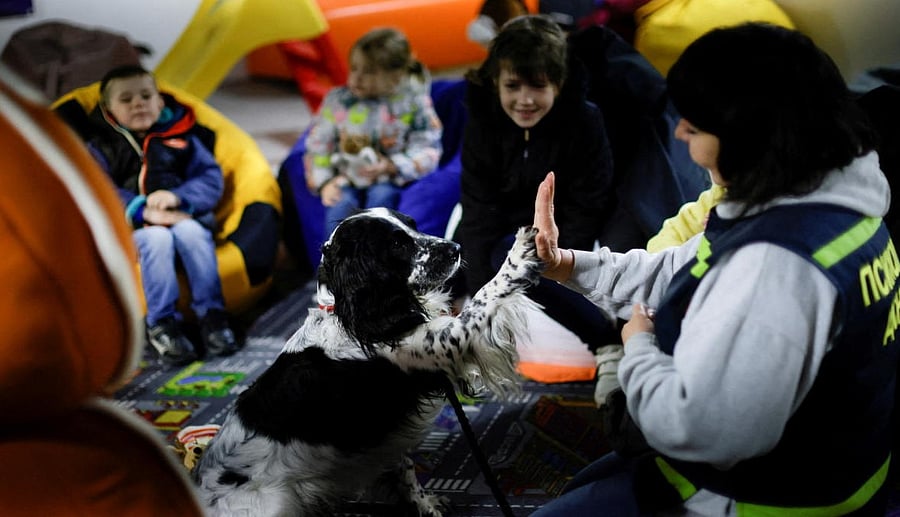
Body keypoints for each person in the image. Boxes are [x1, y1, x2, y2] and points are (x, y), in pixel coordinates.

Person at [530, 22, 897, 515]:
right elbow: (678, 269)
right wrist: (568, 265)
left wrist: (636, 346)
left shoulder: (778, 268)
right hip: (825, 470)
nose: (679, 130)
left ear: (748, 137)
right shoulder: (812, 200)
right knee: (586, 482)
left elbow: (698, 429)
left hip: (760, 499)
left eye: (696, 125)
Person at [453, 14, 620, 353]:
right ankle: (450, 342)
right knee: (455, 261)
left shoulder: (585, 120)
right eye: (513, 86)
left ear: (558, 84)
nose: (525, 100)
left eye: (538, 86)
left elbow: (590, 200)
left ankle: (607, 342)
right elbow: (478, 205)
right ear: (496, 82)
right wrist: (482, 296)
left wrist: (557, 259)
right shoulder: (482, 121)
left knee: (518, 260)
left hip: (561, 227)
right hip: (501, 221)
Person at [86, 65, 238, 366]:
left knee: (193, 234)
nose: (138, 104)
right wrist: (142, 210)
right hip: (135, 226)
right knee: (156, 238)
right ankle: (163, 324)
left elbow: (210, 179)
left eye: (145, 96)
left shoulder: (182, 137)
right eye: (126, 100)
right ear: (109, 109)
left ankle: (213, 316)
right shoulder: (102, 146)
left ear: (160, 101)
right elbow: (97, 190)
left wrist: (178, 197)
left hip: (183, 217)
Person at [304, 27, 443, 238]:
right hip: (346, 176)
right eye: (354, 68)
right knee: (339, 209)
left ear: (396, 76)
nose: (357, 78)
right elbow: (319, 144)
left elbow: (428, 146)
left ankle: (376, 265)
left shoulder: (413, 103)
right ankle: (334, 266)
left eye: (368, 71)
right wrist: (324, 182)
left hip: (388, 178)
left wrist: (392, 165)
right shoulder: (339, 102)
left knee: (381, 205)